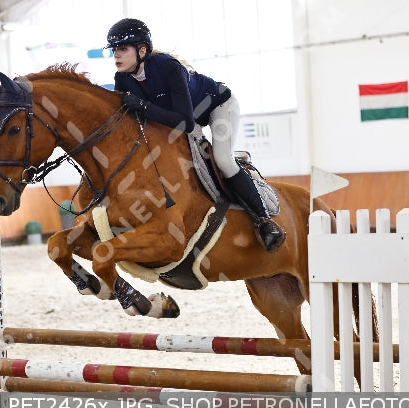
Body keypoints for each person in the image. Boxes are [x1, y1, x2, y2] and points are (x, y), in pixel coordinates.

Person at [105, 18, 285, 252]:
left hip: (219, 107)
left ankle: (264, 222)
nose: (116, 55)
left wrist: (144, 107)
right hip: (181, 119)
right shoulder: (122, 78)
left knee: (222, 159)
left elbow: (186, 122)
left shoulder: (168, 68)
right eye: (114, 50)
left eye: (123, 49)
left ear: (142, 50)